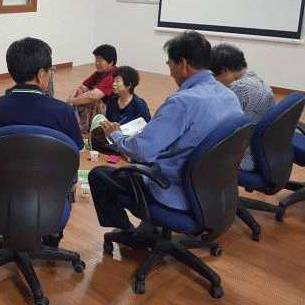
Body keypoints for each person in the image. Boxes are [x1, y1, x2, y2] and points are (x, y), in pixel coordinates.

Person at [88, 31, 243, 233]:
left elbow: (142, 151)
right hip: (215, 192)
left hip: (176, 193)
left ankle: (128, 232)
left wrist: (116, 136)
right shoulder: (230, 96)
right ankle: (149, 229)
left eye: (170, 66)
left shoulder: (182, 102)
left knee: (99, 175)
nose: (170, 73)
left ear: (183, 64)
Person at [0, 37, 84, 246]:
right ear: (41, 74)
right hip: (48, 209)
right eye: (50, 71)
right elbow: (75, 155)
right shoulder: (63, 112)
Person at [210, 43, 275, 170]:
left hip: (244, 157)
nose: (216, 82)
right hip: (263, 150)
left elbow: (220, 125)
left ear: (225, 71)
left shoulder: (239, 88)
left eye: (215, 77)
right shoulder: (257, 80)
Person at [90, 66, 151, 154]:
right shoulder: (112, 101)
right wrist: (107, 126)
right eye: (113, 81)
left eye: (118, 81)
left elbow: (146, 130)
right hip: (113, 137)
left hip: (130, 139)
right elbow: (109, 121)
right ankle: (120, 151)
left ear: (129, 85)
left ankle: (120, 150)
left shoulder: (139, 105)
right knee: (96, 135)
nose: (113, 84)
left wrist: (122, 131)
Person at [66, 44, 117, 133]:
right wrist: (70, 99)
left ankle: (84, 127)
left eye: (100, 60)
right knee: (82, 90)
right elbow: (82, 86)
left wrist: (72, 101)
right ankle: (75, 123)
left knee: (92, 98)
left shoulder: (113, 75)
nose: (97, 63)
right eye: (96, 59)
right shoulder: (99, 73)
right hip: (99, 108)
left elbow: (93, 96)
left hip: (111, 112)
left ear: (111, 62)